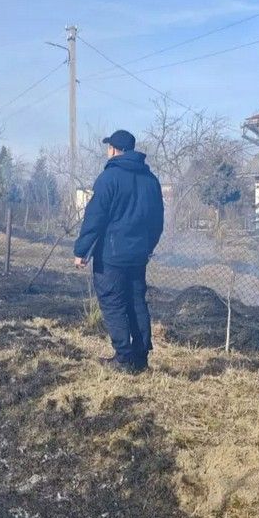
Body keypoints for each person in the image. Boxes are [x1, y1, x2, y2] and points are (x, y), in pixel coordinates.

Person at [73, 129, 165, 374]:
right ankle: (141, 357)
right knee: (136, 302)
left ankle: (123, 358)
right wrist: (147, 247)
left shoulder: (109, 178)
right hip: (138, 256)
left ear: (114, 150)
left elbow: (95, 218)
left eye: (108, 147)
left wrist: (82, 251)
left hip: (111, 257)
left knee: (113, 303)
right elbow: (157, 221)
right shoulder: (151, 180)